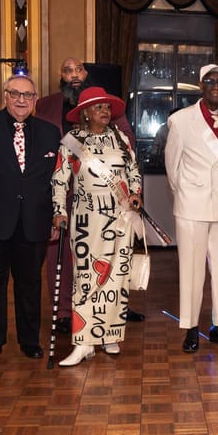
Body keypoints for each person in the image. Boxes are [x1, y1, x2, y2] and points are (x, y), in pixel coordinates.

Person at [0, 74, 60, 363]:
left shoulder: (50, 132)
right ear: (4, 96)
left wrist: (55, 216)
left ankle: (30, 341)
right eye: (15, 93)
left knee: (30, 286)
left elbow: (56, 179)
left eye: (27, 95)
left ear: (35, 99)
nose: (20, 100)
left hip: (34, 222)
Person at [35, 57, 139, 333]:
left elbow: (128, 153)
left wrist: (130, 191)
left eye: (78, 69)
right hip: (60, 190)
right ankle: (64, 313)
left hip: (102, 196)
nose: (73, 75)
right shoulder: (45, 105)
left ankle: (106, 310)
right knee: (61, 254)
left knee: (103, 256)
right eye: (67, 70)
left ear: (86, 72)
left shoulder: (107, 106)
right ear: (61, 76)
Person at [51, 87, 144, 365]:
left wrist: (136, 192)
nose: (105, 112)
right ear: (85, 113)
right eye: (98, 108)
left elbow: (134, 171)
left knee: (116, 278)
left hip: (121, 217)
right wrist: (59, 211)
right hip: (85, 220)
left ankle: (109, 335)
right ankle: (83, 342)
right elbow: (58, 180)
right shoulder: (71, 142)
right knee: (86, 278)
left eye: (107, 107)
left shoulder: (122, 139)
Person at [165, 64, 218, 353]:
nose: (216, 86)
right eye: (210, 81)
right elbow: (172, 166)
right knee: (192, 270)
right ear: (200, 86)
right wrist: (186, 194)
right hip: (192, 205)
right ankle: (191, 328)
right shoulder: (181, 120)